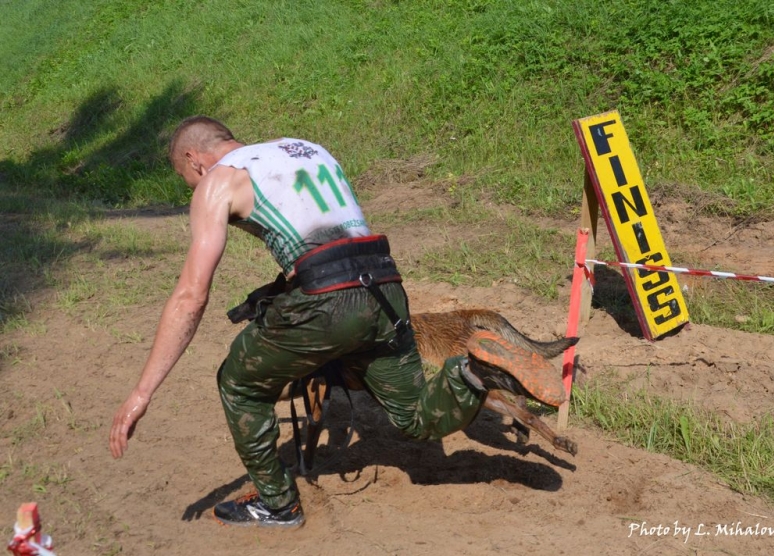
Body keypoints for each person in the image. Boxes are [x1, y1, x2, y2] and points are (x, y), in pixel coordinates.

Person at [109, 116, 555, 528]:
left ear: (195, 160)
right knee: (416, 419)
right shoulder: (306, 149)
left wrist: (141, 392)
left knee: (238, 382)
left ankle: (278, 504)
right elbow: (331, 236)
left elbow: (191, 294)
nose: (191, 185)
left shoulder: (220, 181)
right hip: (385, 287)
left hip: (326, 301)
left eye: (186, 178)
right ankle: (471, 373)